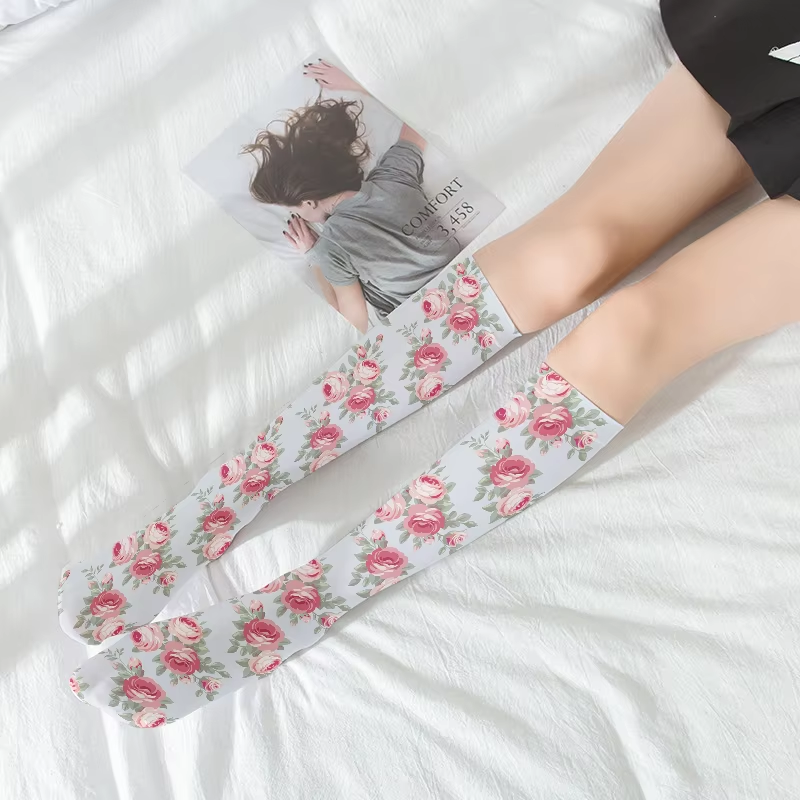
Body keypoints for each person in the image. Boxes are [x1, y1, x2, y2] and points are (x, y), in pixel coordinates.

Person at [62, 0, 800, 726]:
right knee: (573, 252)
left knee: (633, 329)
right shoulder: (373, 192)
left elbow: (355, 303)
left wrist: (324, 253)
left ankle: (299, 607)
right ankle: (206, 510)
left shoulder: (336, 235)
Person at [243, 61, 461, 332]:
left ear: (309, 201)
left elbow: (355, 321)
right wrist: (356, 86)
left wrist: (314, 254)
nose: (298, 217)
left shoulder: (331, 246)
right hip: (470, 279)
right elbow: (419, 120)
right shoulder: (392, 174)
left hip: (431, 324)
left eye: (294, 210)